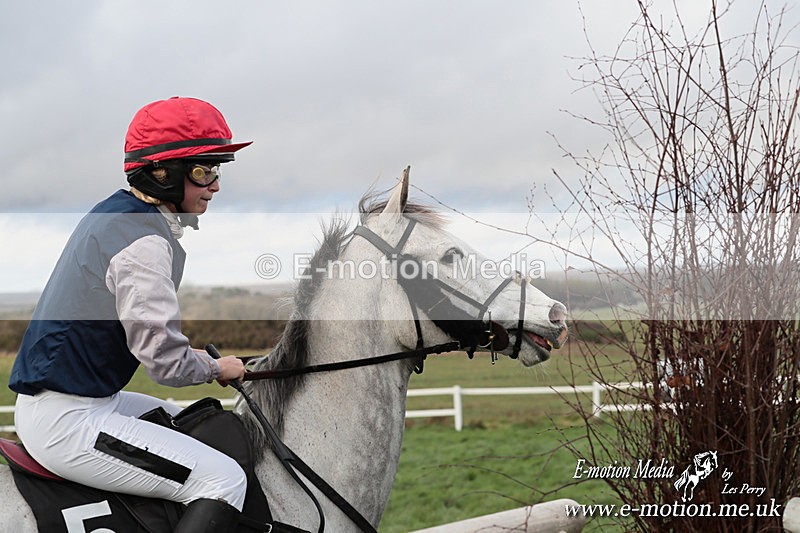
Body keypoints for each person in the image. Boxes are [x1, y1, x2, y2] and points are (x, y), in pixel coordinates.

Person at [10, 97, 251, 532]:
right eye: (203, 171)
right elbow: (164, 361)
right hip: (70, 420)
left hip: (82, 401)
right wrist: (216, 366)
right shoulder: (144, 242)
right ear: (163, 174)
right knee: (223, 479)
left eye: (217, 169)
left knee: (189, 421)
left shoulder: (118, 211)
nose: (214, 184)